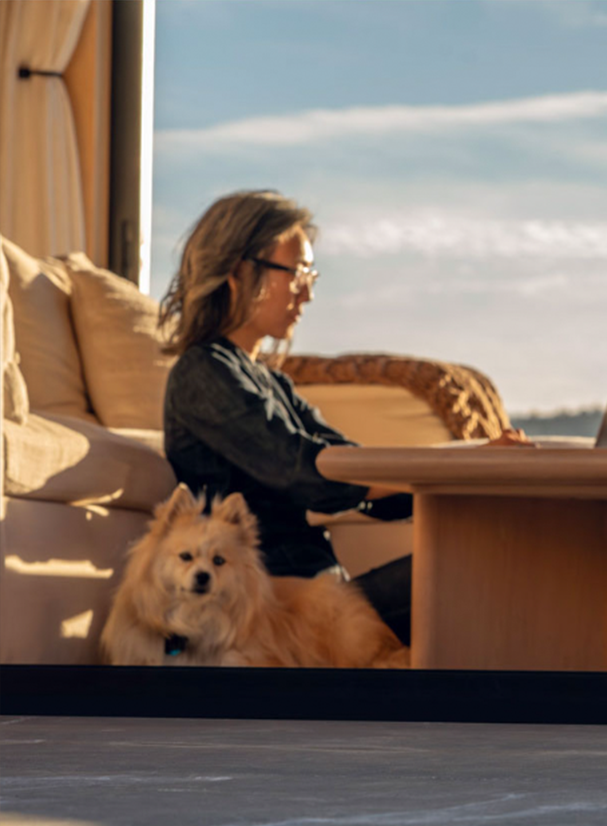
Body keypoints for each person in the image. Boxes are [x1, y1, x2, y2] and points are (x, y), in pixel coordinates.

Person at [158, 190, 527, 647]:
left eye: (309, 274)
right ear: (237, 271)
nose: (307, 292)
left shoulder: (270, 382)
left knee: (490, 550)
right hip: (275, 612)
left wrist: (465, 477)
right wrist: (467, 465)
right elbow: (304, 470)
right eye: (296, 273)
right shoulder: (202, 373)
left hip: (320, 596)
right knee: (474, 564)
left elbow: (350, 463)